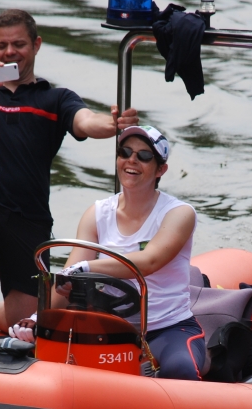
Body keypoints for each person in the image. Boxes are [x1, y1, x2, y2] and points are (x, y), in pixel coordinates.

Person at [0, 9, 140, 344]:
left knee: (26, 319)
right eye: (1, 45)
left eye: (18, 44)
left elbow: (86, 122)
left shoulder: (54, 98)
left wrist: (114, 124)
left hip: (28, 219)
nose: (9, 52)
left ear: (36, 45)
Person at [52, 125, 206, 380]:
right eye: (125, 152)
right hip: (108, 325)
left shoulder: (179, 213)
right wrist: (37, 320)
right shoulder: (97, 213)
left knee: (180, 371)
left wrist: (89, 269)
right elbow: (70, 272)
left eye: (144, 156)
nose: (132, 160)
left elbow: (148, 261)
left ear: (161, 169)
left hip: (168, 328)